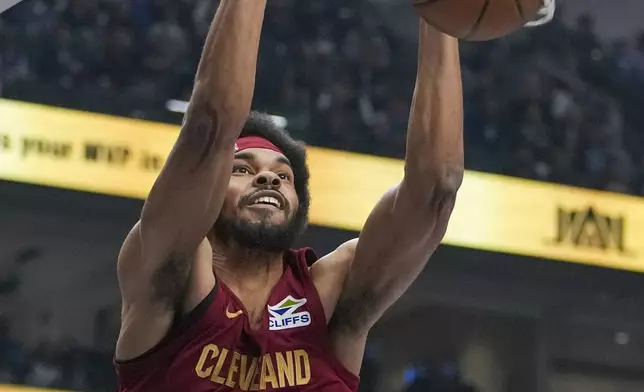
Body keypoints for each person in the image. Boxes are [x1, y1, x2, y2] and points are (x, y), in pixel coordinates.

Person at [113, 0, 463, 391]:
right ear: (208, 192)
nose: (268, 179)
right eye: (242, 170)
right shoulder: (174, 270)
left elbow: (438, 186)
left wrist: (443, 13)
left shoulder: (331, 293)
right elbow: (210, 124)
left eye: (283, 176)